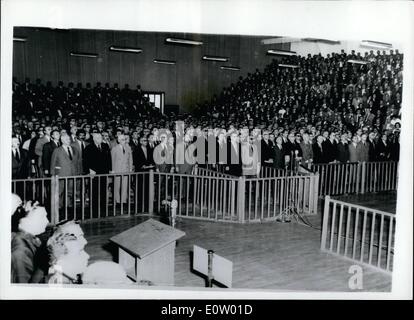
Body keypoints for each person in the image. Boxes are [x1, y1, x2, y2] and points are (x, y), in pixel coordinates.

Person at [11, 204, 50, 283]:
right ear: (27, 220)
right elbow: (24, 288)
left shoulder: (28, 238)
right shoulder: (21, 250)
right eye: (42, 217)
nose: (47, 221)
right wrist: (44, 264)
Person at [50, 134, 82, 208]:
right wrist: (53, 174)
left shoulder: (75, 149)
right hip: (61, 174)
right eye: (67, 139)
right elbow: (53, 163)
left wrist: (79, 172)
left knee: (70, 191)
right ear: (62, 140)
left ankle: (68, 205)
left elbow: (79, 161)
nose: (69, 140)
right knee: (59, 191)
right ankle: (57, 206)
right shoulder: (57, 150)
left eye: (69, 139)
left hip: (73, 173)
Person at [111, 134, 133, 204]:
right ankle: (117, 200)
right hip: (117, 170)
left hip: (125, 169)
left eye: (125, 139)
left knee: (125, 186)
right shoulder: (114, 148)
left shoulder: (128, 148)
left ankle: (123, 200)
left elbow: (130, 159)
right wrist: (113, 170)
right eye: (123, 140)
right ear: (119, 141)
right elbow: (112, 160)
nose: (124, 141)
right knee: (117, 186)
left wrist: (130, 168)